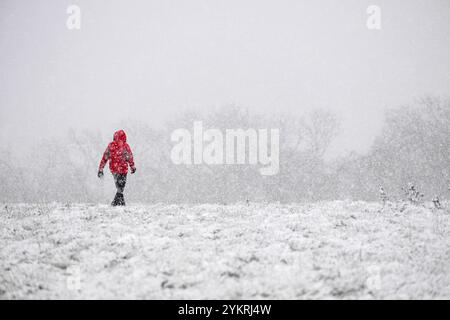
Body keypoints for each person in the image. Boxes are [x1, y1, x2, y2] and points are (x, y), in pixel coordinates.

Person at [98, 130, 136, 206]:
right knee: (120, 185)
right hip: (118, 169)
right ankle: (118, 203)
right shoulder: (116, 146)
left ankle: (118, 203)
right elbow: (105, 157)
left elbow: (129, 157)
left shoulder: (122, 146)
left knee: (121, 186)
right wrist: (101, 169)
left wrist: (132, 166)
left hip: (119, 169)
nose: (120, 142)